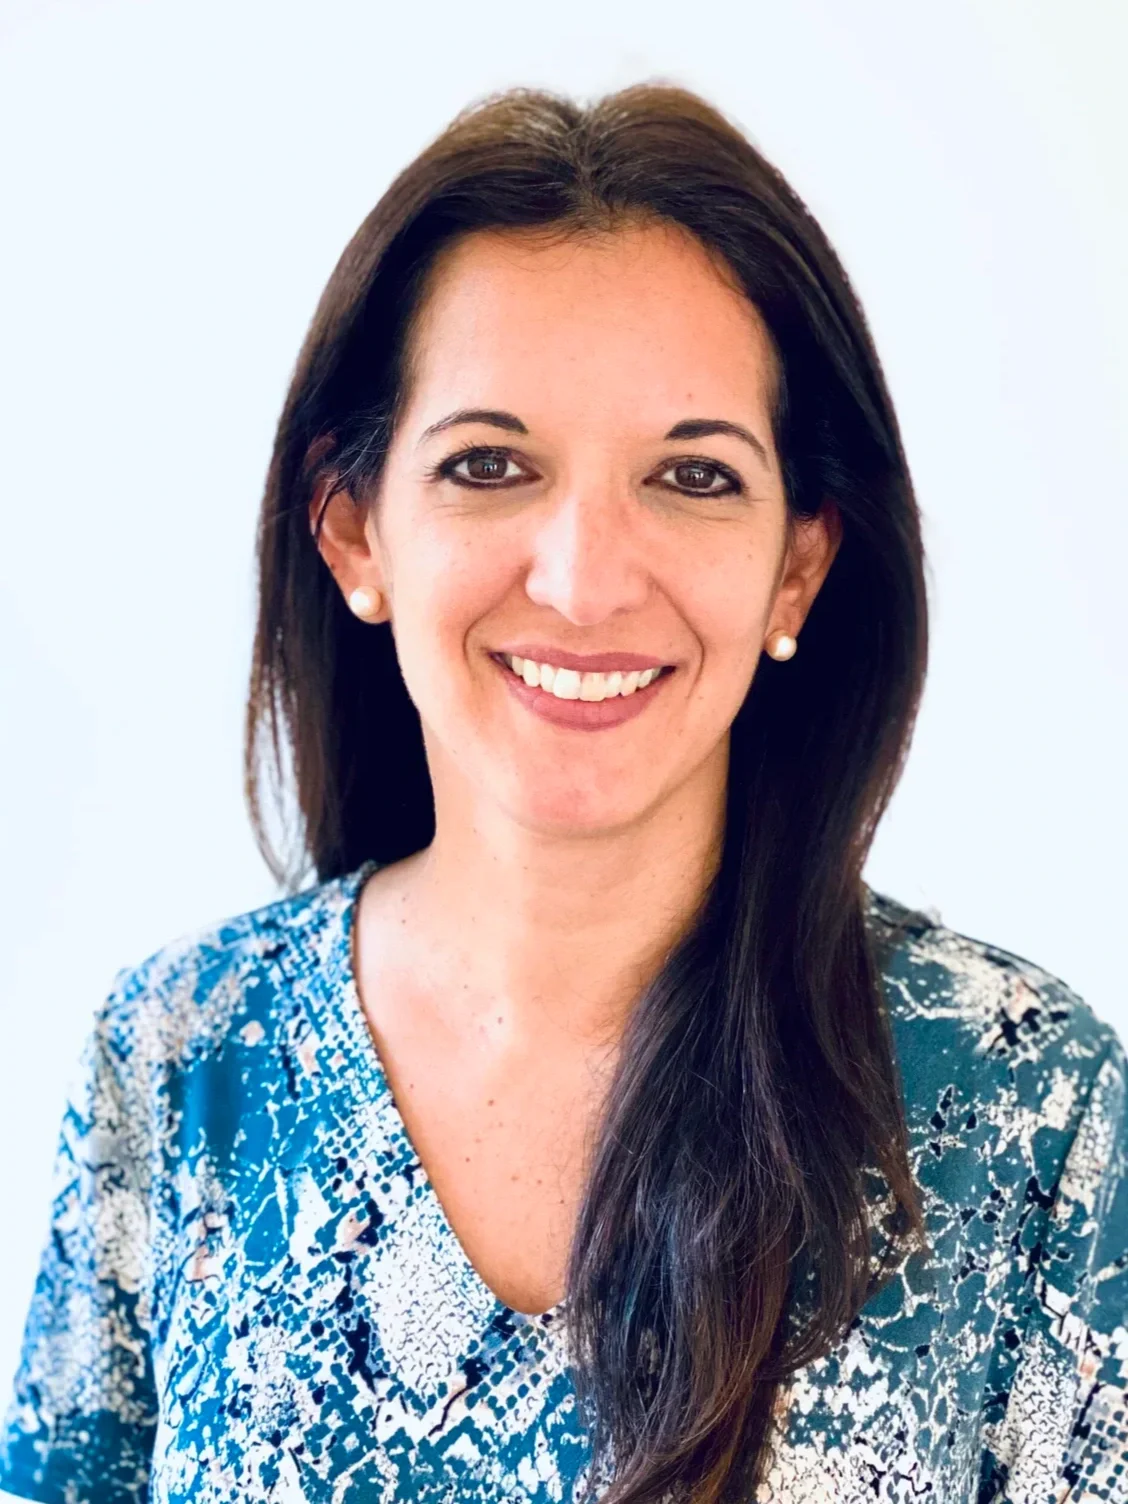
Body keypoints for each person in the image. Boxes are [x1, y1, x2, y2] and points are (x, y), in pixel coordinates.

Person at [0, 82, 1124, 1504]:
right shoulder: (173, 1063)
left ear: (800, 564)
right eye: (489, 464)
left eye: (695, 476)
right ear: (356, 533)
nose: (587, 579)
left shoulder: (1030, 1108)